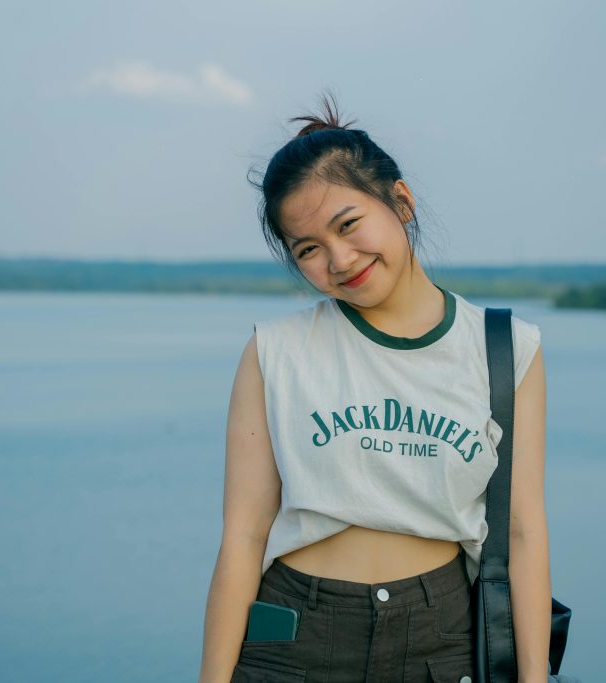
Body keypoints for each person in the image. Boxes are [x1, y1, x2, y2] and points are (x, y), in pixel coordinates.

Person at [199, 91, 552, 683]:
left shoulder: (506, 349)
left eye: (348, 225)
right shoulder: (275, 351)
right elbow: (243, 536)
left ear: (401, 202)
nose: (338, 259)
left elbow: (522, 531)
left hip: (441, 642)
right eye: (308, 249)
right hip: (295, 639)